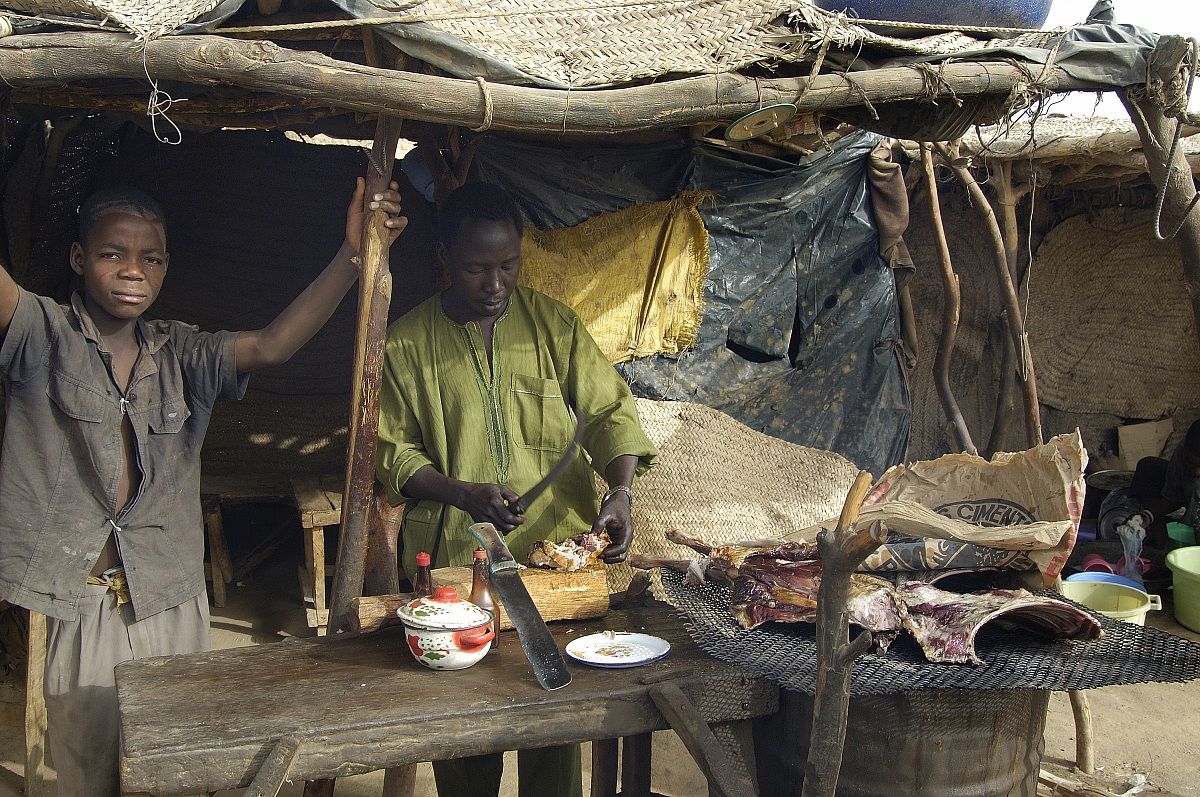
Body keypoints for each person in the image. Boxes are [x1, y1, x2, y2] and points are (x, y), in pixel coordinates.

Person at [0, 179, 407, 797]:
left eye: (151, 258)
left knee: (179, 770)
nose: (133, 270)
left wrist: (353, 255)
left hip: (169, 595)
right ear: (78, 258)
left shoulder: (182, 353)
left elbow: (272, 345)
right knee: (89, 772)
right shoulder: (40, 334)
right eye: (112, 253)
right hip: (82, 601)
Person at [375, 182, 658, 797]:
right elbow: (392, 453)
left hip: (555, 564)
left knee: (552, 718)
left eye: (508, 265)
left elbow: (610, 413)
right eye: (477, 268)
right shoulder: (405, 344)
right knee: (465, 726)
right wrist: (461, 492)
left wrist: (621, 492)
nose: (495, 283)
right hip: (458, 561)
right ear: (444, 260)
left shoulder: (553, 327)